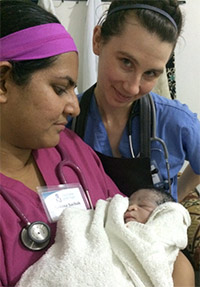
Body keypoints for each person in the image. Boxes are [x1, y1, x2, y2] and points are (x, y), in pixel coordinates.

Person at [0, 1, 194, 286]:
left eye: (151, 73)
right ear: (4, 82)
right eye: (59, 88)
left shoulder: (70, 149)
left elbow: (155, 251)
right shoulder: (72, 129)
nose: (73, 107)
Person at [69, 0, 200, 203]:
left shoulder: (175, 121)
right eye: (126, 62)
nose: (132, 87)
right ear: (97, 40)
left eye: (150, 73)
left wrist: (175, 201)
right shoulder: (65, 119)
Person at [16, 188, 191, 287]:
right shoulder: (112, 220)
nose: (131, 208)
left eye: (142, 205)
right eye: (129, 203)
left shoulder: (157, 236)